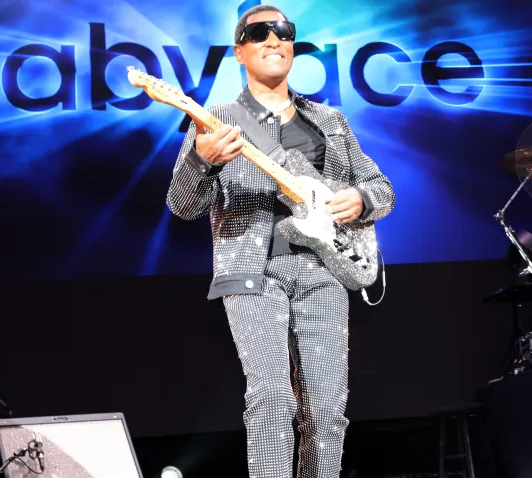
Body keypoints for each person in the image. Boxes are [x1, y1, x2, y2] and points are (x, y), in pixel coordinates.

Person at [166, 5, 395, 477]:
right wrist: (202, 163)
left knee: (328, 410)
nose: (273, 39)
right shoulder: (215, 119)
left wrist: (359, 198)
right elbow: (183, 205)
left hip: (324, 271)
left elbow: (382, 188)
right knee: (270, 399)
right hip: (250, 274)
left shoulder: (327, 119)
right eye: (258, 33)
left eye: (283, 32)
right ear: (239, 52)